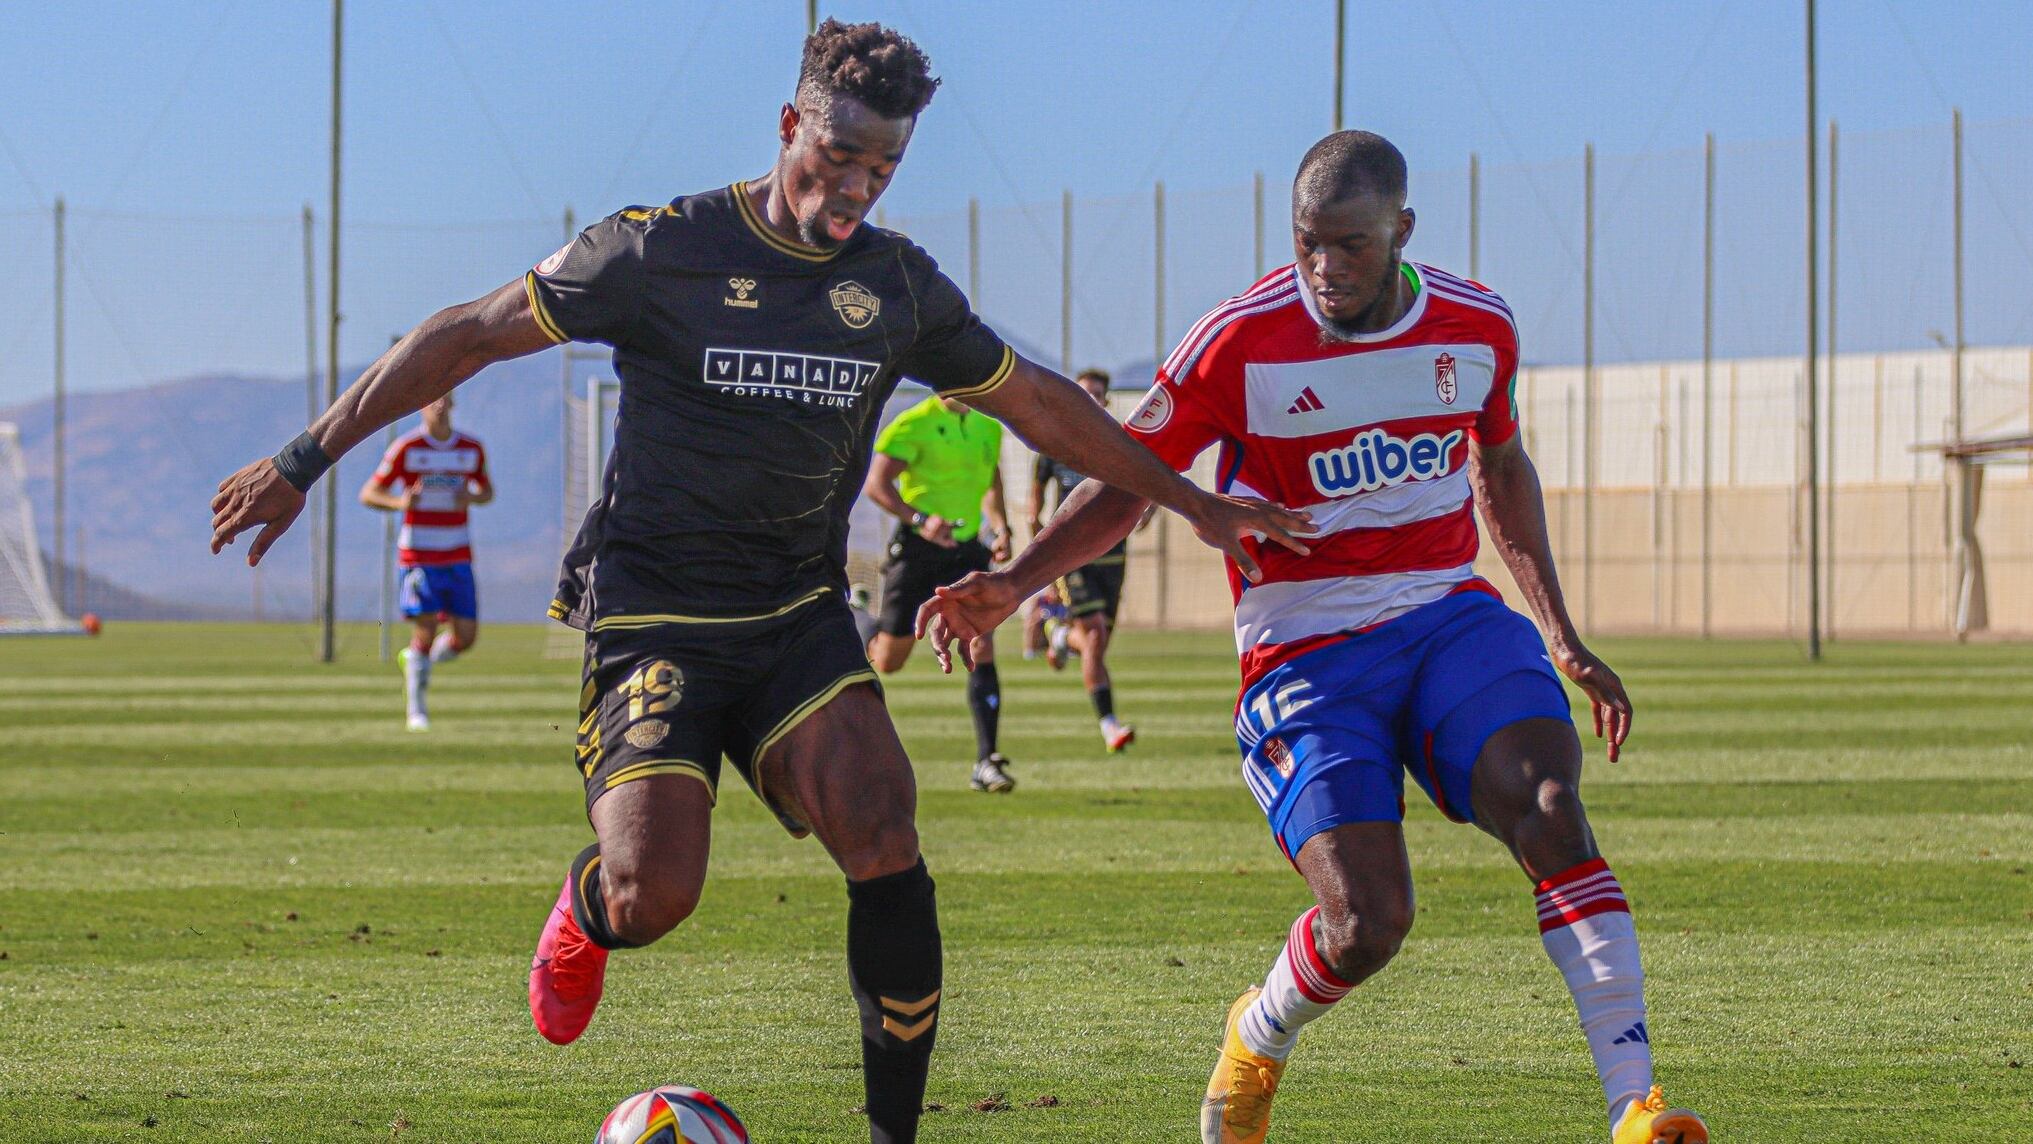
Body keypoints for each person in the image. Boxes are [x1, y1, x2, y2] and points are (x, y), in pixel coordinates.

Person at [206, 20, 1308, 1144]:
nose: (854, 190)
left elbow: (1034, 399)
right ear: (790, 126)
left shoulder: (893, 286)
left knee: (884, 825)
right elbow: (467, 336)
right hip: (652, 619)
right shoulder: (658, 249)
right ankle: (588, 916)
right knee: (654, 896)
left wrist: (1197, 502)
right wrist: (305, 459)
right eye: (837, 160)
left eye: (881, 170)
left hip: (793, 615)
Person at [916, 131, 1706, 1144]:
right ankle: (1257, 1033)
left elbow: (1499, 467)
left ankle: (1632, 1108)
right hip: (1301, 646)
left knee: (1551, 806)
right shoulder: (1238, 341)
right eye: (1305, 244)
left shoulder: (1475, 326)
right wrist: (1016, 581)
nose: (1323, 268)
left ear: (1400, 232)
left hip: (1444, 614)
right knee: (1366, 923)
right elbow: (1123, 478)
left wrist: (1557, 631)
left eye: (1349, 245)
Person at [863, 392, 1016, 792]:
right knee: (889, 661)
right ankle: (862, 619)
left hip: (967, 550)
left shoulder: (988, 425)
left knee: (981, 642)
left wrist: (999, 528)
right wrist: (920, 519)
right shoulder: (915, 422)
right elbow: (877, 483)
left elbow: (991, 482)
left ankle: (986, 761)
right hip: (918, 549)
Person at [358, 394, 492, 731]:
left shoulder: (470, 449)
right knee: (426, 628)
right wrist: (401, 501)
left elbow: (487, 491)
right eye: (433, 400)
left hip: (458, 552)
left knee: (466, 637)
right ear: (422, 406)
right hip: (419, 554)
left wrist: (472, 497)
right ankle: (416, 711)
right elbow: (370, 493)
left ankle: (419, 660)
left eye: (445, 399)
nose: (440, 405)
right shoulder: (407, 448)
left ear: (453, 403)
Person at [1027, 369, 1138, 753]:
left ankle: (1058, 635)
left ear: (1106, 401)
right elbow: (1036, 495)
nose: (1091, 399)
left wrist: (1149, 508)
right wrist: (1038, 538)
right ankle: (1109, 725)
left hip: (1113, 555)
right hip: (1073, 554)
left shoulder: (1122, 441)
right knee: (1094, 637)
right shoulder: (1054, 441)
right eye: (1084, 393)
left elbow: (1150, 481)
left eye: (1098, 394)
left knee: (1098, 643)